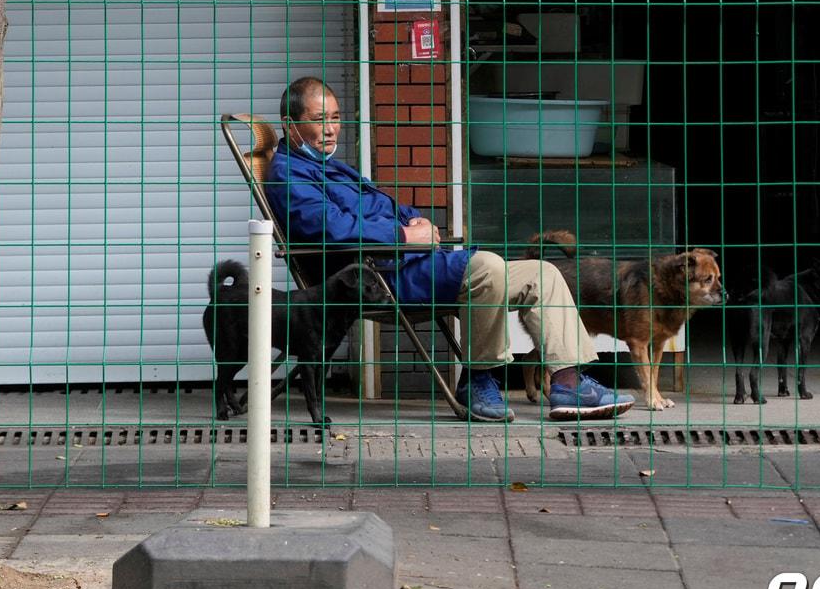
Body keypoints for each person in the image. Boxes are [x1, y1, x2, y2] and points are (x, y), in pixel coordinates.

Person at [264, 76, 634, 422]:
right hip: (375, 276)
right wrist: (404, 236)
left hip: (407, 261)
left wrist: (417, 221)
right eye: (319, 119)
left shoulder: (331, 168)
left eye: (335, 117)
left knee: (544, 273)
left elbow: (385, 208)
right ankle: (478, 381)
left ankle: (569, 385)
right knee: (486, 267)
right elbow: (332, 229)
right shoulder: (289, 174)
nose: (330, 129)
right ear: (289, 124)